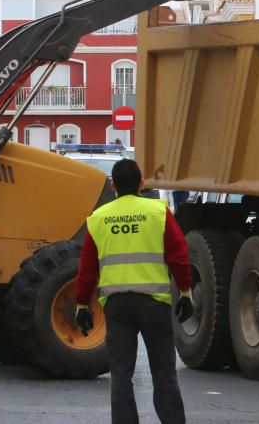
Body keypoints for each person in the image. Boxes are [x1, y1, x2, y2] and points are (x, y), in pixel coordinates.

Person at [75, 158, 193, 424]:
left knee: (121, 375)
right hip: (155, 303)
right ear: (141, 183)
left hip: (117, 307)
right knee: (164, 374)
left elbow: (86, 269)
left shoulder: (99, 219)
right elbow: (179, 256)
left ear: (113, 185)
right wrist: (185, 291)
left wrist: (82, 304)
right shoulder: (159, 212)